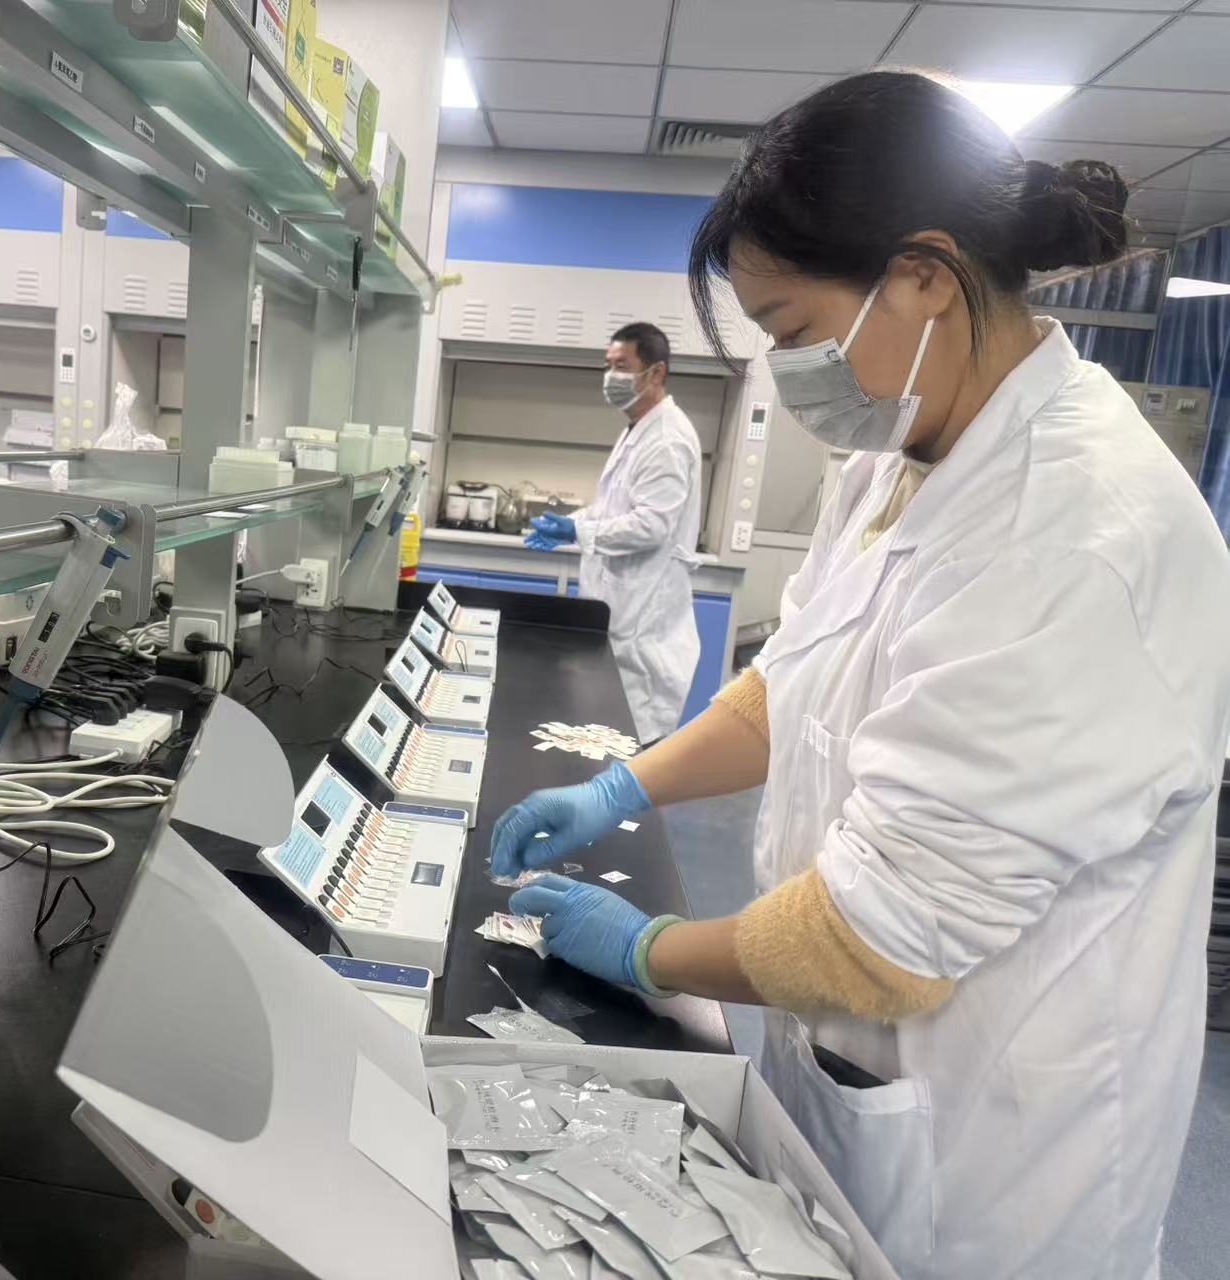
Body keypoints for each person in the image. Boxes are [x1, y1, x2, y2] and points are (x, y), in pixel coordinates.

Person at [490, 70, 1230, 1280]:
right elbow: (793, 683)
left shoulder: (1080, 534)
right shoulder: (900, 454)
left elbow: (879, 939)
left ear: (925, 274)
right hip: (852, 1070)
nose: (789, 369)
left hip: (996, 1153)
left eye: (792, 330)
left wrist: (647, 948)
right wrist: (624, 785)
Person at [526, 322, 702, 743]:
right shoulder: (638, 430)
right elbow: (614, 509)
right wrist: (574, 525)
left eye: (622, 366)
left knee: (631, 747)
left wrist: (580, 531)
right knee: (601, 738)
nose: (611, 377)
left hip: (642, 633)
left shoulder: (667, 439)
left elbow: (651, 526)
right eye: (608, 366)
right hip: (619, 618)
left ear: (656, 373)